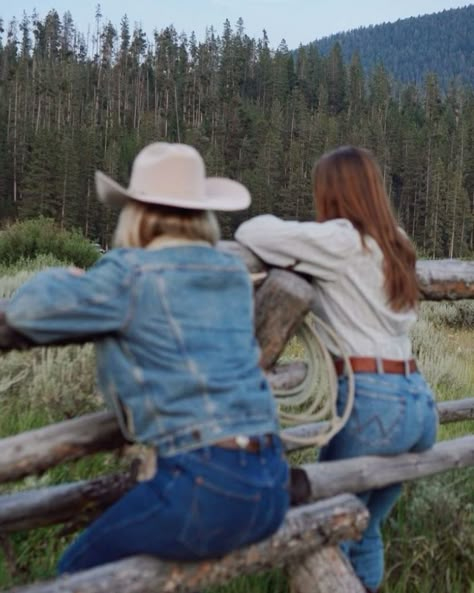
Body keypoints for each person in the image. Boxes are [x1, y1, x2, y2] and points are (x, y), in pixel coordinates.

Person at [5, 143, 289, 573]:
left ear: (136, 213)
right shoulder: (230, 273)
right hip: (272, 482)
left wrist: (66, 277)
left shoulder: (129, 275)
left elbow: (28, 310)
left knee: (78, 568)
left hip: (206, 485)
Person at [235, 145, 438, 593]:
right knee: (364, 529)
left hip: (373, 405)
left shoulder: (340, 242)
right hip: (418, 401)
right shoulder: (396, 242)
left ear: (333, 193)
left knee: (324, 530)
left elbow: (254, 231)